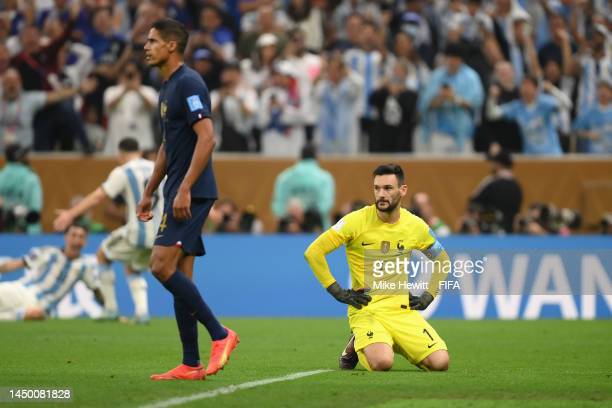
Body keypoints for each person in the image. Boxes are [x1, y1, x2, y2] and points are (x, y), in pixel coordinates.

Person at [137, 18, 239, 381]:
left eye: (152, 41)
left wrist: (184, 188)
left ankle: (221, 334)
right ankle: (191, 363)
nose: (145, 46)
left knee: (160, 265)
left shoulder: (189, 82)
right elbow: (168, 144)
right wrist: (150, 189)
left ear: (171, 46)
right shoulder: (167, 87)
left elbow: (207, 138)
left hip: (190, 193)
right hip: (179, 190)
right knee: (180, 274)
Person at [304, 164, 451, 372]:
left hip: (401, 312)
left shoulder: (414, 225)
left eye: (388, 188)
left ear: (403, 190)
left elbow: (442, 259)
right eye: (377, 188)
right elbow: (314, 251)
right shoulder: (356, 221)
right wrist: (336, 290)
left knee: (440, 363)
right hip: (367, 311)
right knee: (383, 363)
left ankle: (388, 341)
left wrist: (428, 296)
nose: (381, 194)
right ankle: (359, 342)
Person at [53, 138, 162, 323]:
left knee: (103, 254)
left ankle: (110, 308)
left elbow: (98, 196)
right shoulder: (157, 166)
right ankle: (142, 312)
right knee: (133, 266)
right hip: (160, 233)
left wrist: (70, 214)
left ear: (120, 154)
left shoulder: (124, 171)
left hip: (138, 231)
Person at [0, 223, 104, 321]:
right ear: (66, 237)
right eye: (73, 235)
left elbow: (96, 290)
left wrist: (110, 309)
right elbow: (17, 264)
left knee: (35, 315)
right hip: (24, 291)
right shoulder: (49, 252)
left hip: (41, 307)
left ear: (85, 242)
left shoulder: (85, 267)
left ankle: (15, 315)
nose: (77, 240)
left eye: (81, 237)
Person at [417, 42, 484, 154]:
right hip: (439, 134)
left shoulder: (471, 77)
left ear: (461, 59)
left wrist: (454, 98)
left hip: (464, 134)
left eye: (455, 58)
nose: (451, 61)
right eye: (449, 57)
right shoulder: (437, 76)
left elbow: (476, 102)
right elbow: (424, 104)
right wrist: (441, 98)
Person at [487, 75, 569, 155]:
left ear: (536, 89)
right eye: (523, 85)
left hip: (551, 155)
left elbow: (567, 104)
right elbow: (492, 115)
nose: (526, 89)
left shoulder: (544, 102)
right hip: (530, 156)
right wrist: (492, 98)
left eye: (529, 85)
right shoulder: (517, 107)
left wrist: (552, 89)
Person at [271, 144, 335, 229]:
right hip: (317, 231)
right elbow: (325, 206)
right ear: (317, 157)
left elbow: (278, 208)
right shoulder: (325, 178)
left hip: (289, 230)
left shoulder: (284, 177)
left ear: (300, 156)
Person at [103, 61, 158, 155]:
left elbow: (153, 107)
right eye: (127, 74)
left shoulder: (148, 91)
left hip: (143, 144)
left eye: (132, 74)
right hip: (116, 144)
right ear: (121, 75)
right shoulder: (111, 91)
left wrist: (137, 89)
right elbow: (109, 106)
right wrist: (124, 89)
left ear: (139, 74)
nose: (130, 77)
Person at [469, 145, 523, 233]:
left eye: (493, 162)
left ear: (498, 164)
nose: (491, 165)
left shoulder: (490, 182)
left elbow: (473, 203)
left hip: (488, 231)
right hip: (510, 232)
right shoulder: (517, 186)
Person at [0, 144, 42, 234]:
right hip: (27, 234)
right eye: (25, 154)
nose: (28, 157)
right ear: (19, 158)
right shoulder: (31, 177)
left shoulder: (1, 176)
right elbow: (35, 213)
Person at [573, 79, 612, 154]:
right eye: (600, 89)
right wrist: (588, 134)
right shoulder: (589, 111)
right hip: (593, 156)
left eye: (607, 89)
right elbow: (575, 130)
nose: (603, 92)